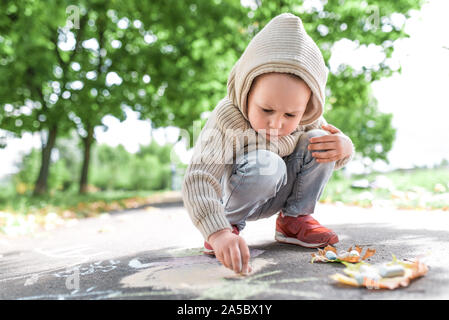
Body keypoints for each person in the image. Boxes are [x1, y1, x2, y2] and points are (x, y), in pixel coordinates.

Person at [181, 13, 355, 275]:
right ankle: (230, 225)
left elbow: (333, 153)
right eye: (266, 109)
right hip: (239, 195)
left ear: (305, 108)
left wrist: (344, 148)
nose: (277, 123)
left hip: (282, 191)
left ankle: (295, 220)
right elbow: (199, 176)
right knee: (267, 162)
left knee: (319, 140)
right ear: (246, 91)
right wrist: (217, 233)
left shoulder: (308, 120)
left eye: (290, 115)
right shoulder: (229, 117)